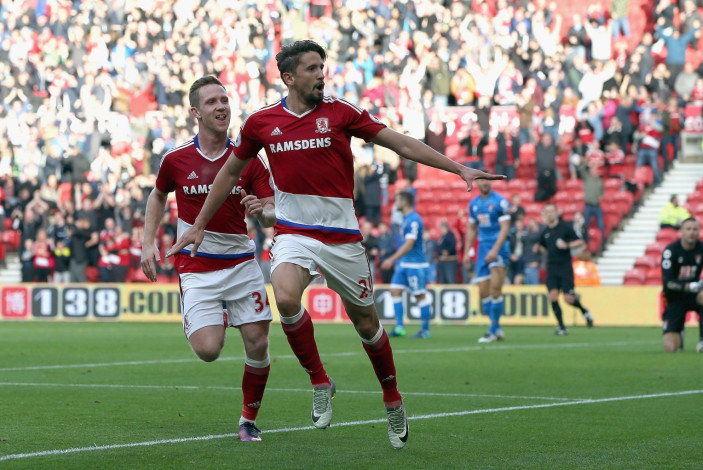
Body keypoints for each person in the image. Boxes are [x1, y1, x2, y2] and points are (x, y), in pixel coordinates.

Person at [167, 40, 504, 449]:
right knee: (286, 296)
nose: (321, 74)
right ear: (289, 78)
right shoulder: (261, 122)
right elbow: (227, 175)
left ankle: (392, 398)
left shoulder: (341, 112)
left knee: (367, 323)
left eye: (322, 66)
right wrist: (200, 222)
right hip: (294, 233)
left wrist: (457, 169)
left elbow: (399, 142)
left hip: (343, 238)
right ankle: (320, 380)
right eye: (311, 68)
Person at [141, 76, 276, 443]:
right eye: (213, 102)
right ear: (196, 112)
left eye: (225, 100)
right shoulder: (176, 158)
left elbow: (271, 210)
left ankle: (248, 421)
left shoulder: (248, 158)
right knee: (208, 350)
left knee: (258, 343)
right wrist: (147, 242)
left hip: (240, 263)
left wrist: (261, 210)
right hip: (197, 265)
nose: (222, 107)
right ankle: (212, 312)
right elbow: (157, 196)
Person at [660, 218, 703, 353]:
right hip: (674, 298)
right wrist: (689, 286)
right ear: (681, 232)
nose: (692, 232)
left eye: (695, 229)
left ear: (699, 232)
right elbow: (668, 282)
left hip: (694, 295)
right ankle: (679, 330)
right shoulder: (670, 251)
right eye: (688, 229)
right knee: (671, 349)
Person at [463, 174, 511, 343]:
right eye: (481, 179)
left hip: (498, 248)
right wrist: (466, 252)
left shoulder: (500, 202)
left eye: (487, 179)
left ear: (491, 181)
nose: (484, 182)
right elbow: (471, 230)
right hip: (482, 249)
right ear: (477, 182)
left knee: (496, 289)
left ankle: (492, 330)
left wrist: (495, 249)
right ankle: (496, 327)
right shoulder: (474, 204)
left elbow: (506, 228)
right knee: (484, 292)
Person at [535, 203, 594, 335]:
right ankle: (561, 327)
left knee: (568, 299)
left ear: (556, 213)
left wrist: (567, 245)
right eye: (547, 212)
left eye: (551, 211)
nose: (549, 214)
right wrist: (538, 249)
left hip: (565, 267)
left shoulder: (565, 228)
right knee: (553, 296)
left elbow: (581, 242)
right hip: (552, 268)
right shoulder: (545, 232)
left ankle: (584, 311)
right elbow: (543, 246)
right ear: (544, 215)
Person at [381, 191, 432, 339]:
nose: (395, 204)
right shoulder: (405, 219)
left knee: (420, 296)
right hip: (405, 263)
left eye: (397, 201)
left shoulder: (413, 220)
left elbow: (409, 244)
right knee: (395, 291)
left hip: (416, 264)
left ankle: (425, 330)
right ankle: (400, 327)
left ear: (404, 202)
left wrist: (391, 259)